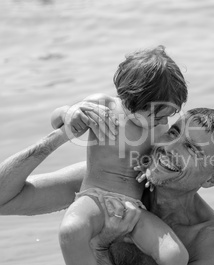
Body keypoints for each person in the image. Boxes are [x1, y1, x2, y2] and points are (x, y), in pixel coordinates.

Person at [0, 107, 214, 264]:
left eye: (190, 148)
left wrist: (101, 244)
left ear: (212, 179)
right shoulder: (109, 181)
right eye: (173, 133)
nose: (169, 147)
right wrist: (65, 133)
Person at [49, 45, 189, 265]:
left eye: (169, 116)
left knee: (175, 255)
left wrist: (155, 169)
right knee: (71, 231)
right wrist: (69, 113)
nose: (164, 122)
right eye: (157, 116)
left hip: (134, 208)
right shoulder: (102, 107)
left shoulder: (159, 130)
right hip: (93, 198)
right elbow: (56, 118)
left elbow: (160, 163)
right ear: (132, 100)